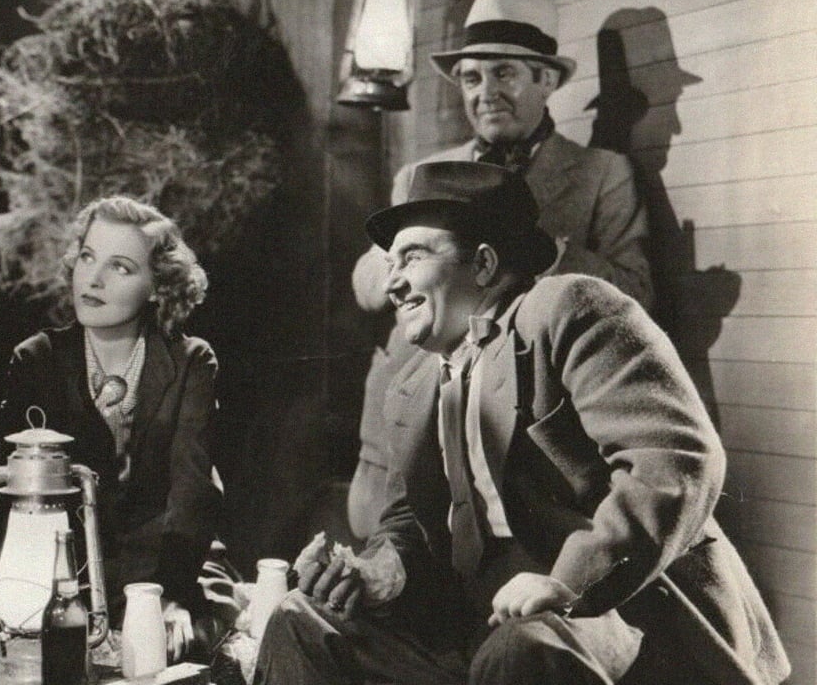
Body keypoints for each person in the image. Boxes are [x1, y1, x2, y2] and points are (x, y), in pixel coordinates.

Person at [253, 161, 789, 685]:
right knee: (300, 621)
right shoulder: (411, 383)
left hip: (621, 611)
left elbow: (672, 460)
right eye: (389, 262)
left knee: (523, 649)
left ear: (484, 264)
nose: (392, 283)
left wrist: (569, 582)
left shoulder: (567, 310)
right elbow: (408, 518)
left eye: (411, 257)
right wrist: (382, 567)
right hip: (479, 626)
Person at [347, 0, 653, 541]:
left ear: (546, 80)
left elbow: (637, 295)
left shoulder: (600, 173)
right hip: (403, 426)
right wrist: (406, 257)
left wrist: (551, 251)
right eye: (471, 78)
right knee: (383, 563)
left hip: (516, 442)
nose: (484, 92)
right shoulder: (421, 175)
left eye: (504, 73)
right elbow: (368, 286)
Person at [0, 196, 232, 664]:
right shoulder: (36, 360)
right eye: (87, 257)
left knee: (179, 645)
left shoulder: (191, 361)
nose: (93, 279)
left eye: (120, 267)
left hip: (170, 562)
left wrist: (170, 594)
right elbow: (13, 502)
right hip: (66, 571)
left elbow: (193, 490)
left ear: (157, 287)